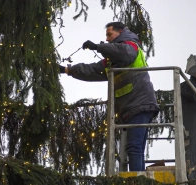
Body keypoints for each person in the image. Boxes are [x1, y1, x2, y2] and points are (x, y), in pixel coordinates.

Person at [58, 22, 159, 171]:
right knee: (135, 149)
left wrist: (98, 47)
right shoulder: (112, 62)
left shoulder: (131, 46)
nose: (107, 39)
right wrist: (66, 69)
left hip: (140, 104)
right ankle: (139, 177)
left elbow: (124, 53)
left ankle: (138, 180)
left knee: (134, 148)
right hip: (131, 107)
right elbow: (92, 70)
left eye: (109, 34)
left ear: (121, 32)